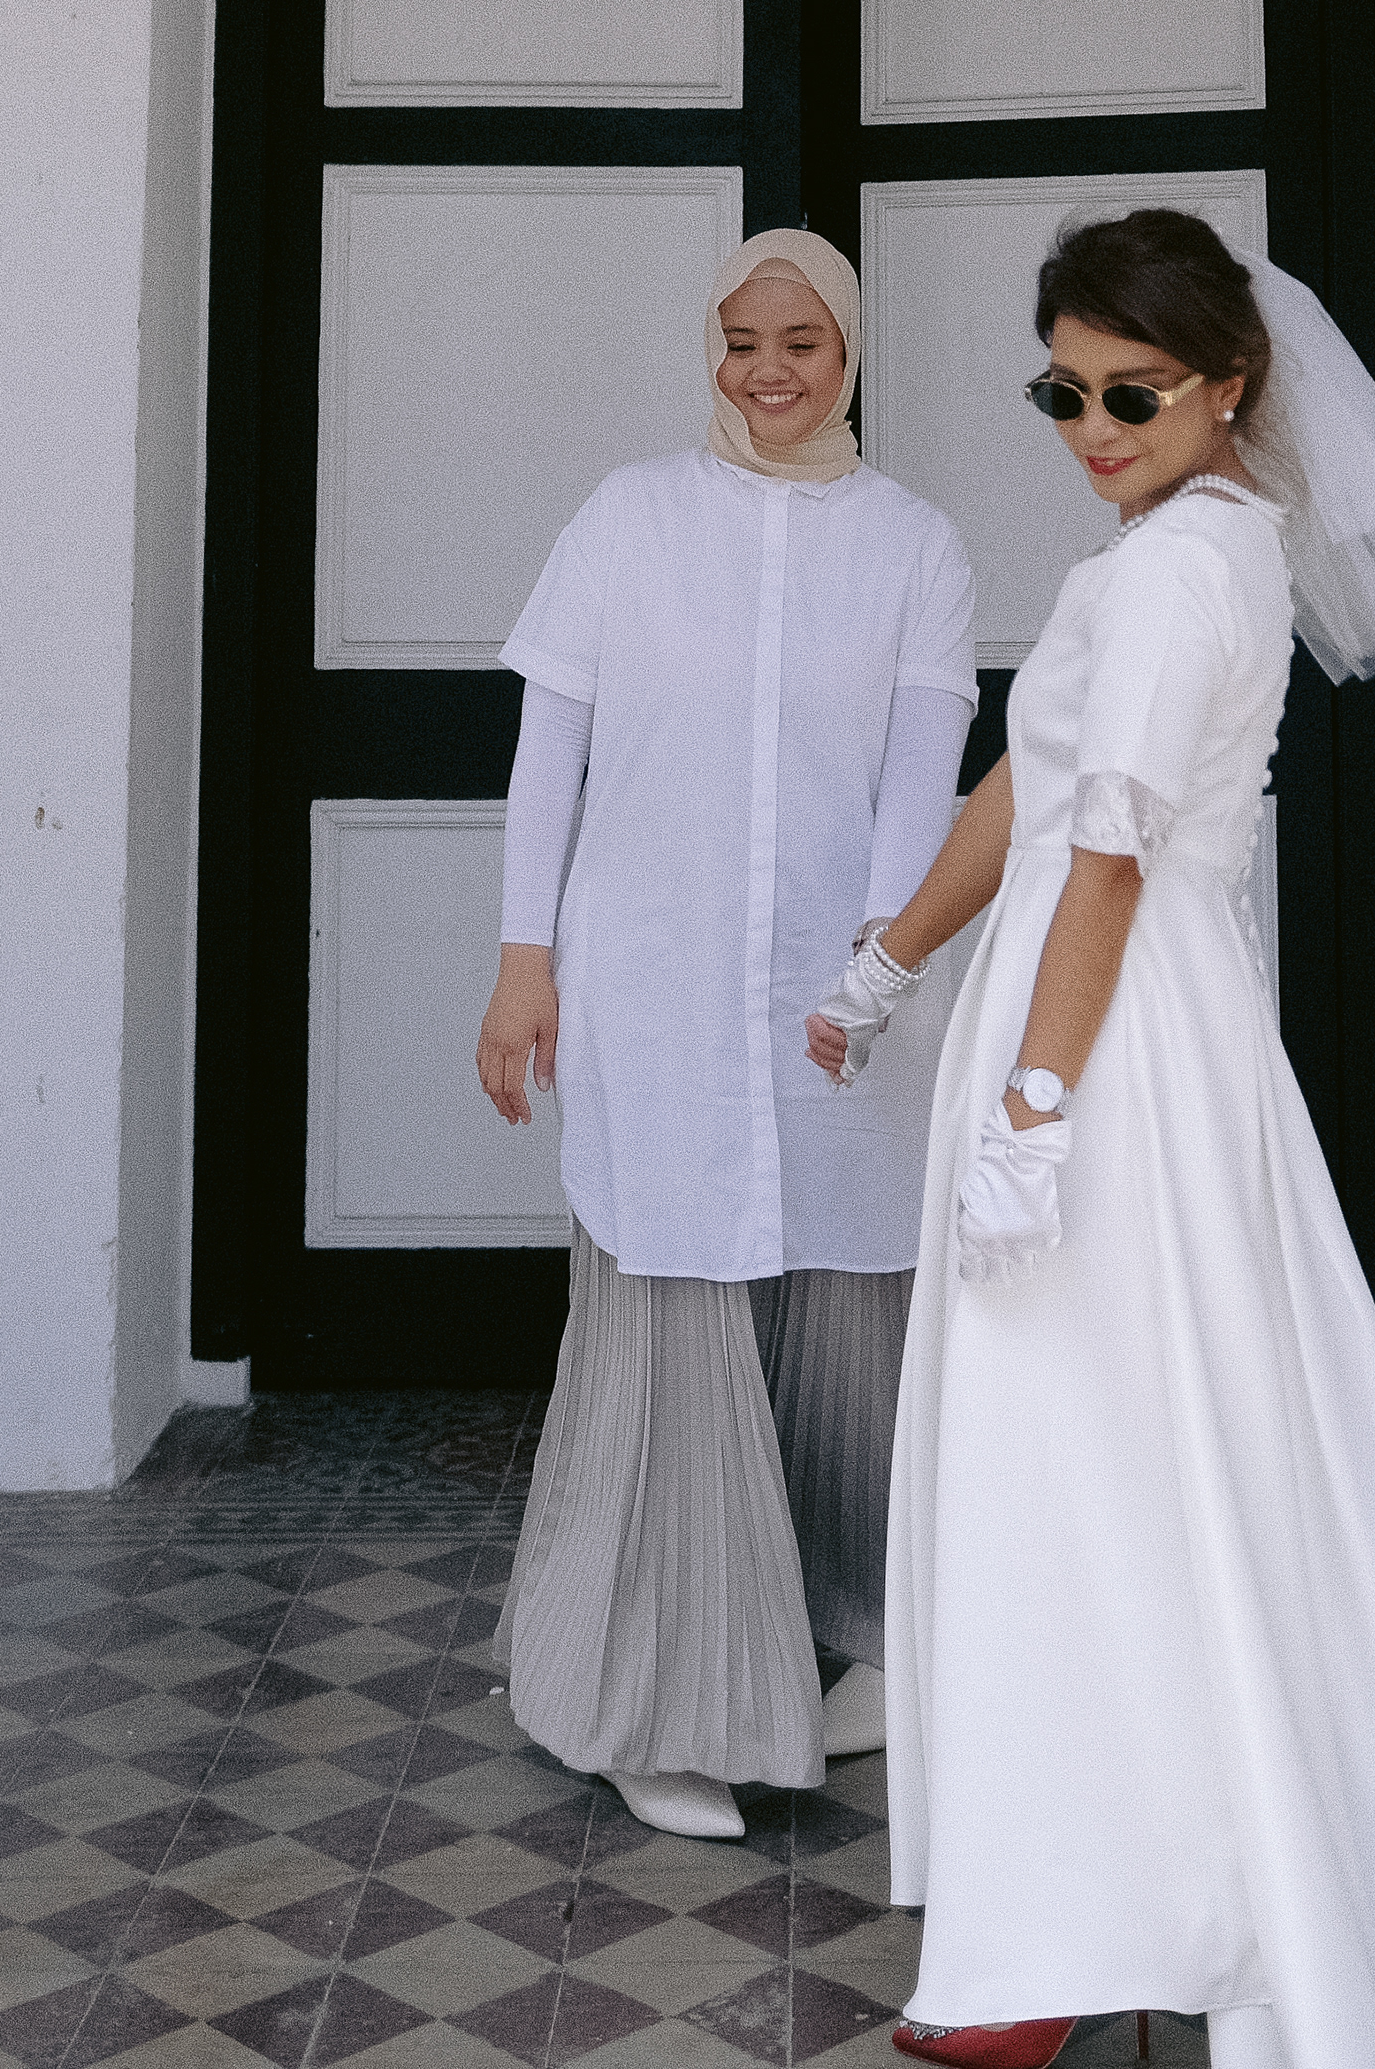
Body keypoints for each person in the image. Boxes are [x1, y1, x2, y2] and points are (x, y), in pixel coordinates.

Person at [807, 209, 1375, 2069]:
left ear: (1229, 385)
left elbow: (1105, 854)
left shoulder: (1186, 570)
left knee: (1087, 1474)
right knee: (1108, 1471)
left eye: (1133, 392)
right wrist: (889, 955)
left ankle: (1085, 1939)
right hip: (1101, 1018)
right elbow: (1027, 785)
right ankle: (1071, 1925)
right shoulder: (1154, 551)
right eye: (1063, 392)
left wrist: (1034, 1112)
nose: (1092, 426)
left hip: (1114, 1053)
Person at [477, 226, 977, 1841]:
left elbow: (921, 782)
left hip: (843, 988)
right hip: (653, 981)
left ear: (850, 353)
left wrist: (881, 965)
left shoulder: (913, 545)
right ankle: (655, 1695)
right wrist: (523, 960)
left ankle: (875, 1640)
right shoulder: (628, 518)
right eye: (743, 341)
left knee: (852, 1293)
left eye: (802, 343)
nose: (770, 372)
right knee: (675, 1294)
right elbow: (549, 748)